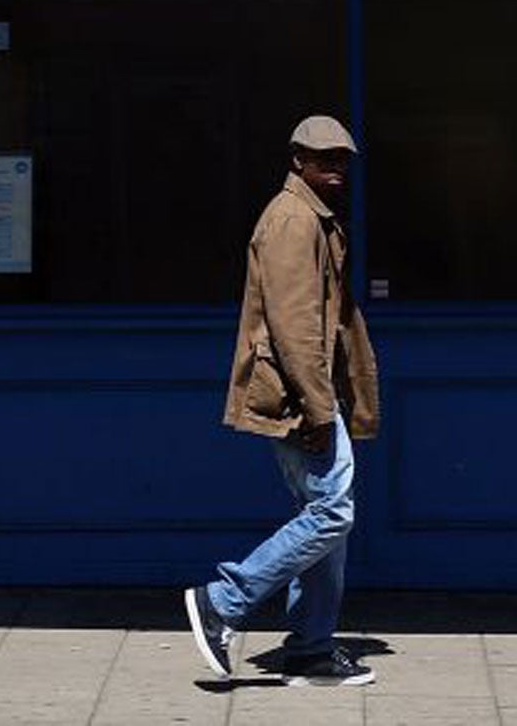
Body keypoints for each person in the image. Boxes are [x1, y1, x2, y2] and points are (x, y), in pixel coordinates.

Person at [184, 115, 381, 687]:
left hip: (310, 396)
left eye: (343, 159)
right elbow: (295, 329)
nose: (335, 168)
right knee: (332, 512)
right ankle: (223, 600)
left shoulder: (311, 217)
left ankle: (312, 648)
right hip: (301, 401)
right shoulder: (293, 221)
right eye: (323, 158)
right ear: (297, 160)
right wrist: (319, 410)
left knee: (323, 517)